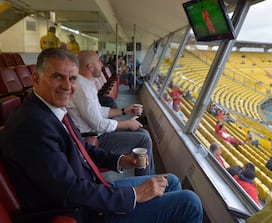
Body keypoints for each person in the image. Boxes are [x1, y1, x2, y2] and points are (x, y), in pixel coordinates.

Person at [0, 48, 203, 223]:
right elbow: (68, 191)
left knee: (172, 182)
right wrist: (134, 195)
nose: (67, 86)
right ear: (36, 78)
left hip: (91, 187)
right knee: (189, 202)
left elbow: (84, 149)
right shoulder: (32, 126)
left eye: (72, 78)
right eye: (57, 77)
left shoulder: (52, 110)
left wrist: (121, 160)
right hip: (83, 210)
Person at [67, 50, 154, 176]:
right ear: (90, 67)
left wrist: (124, 111)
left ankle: (149, 177)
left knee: (143, 132)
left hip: (97, 132)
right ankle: (146, 184)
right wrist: (127, 123)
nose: (102, 65)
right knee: (143, 140)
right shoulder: (82, 88)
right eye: (98, 61)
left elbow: (99, 111)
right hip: (93, 139)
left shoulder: (86, 83)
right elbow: (98, 124)